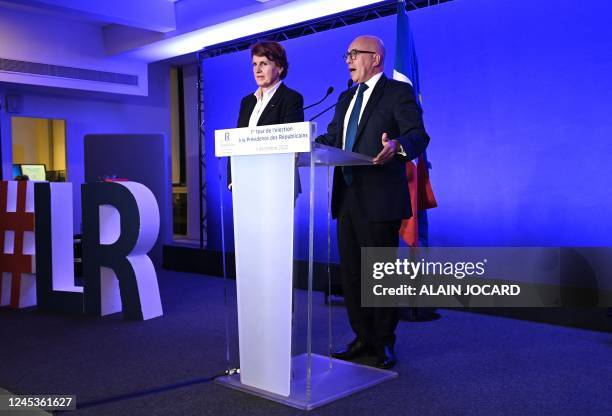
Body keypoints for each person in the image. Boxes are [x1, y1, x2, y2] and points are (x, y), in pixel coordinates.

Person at [316, 35, 430, 369]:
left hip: (380, 198)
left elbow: (418, 134)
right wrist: (302, 139)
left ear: (375, 58)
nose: (348, 60)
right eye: (346, 54)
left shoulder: (397, 92)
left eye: (354, 54)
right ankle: (362, 337)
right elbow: (333, 138)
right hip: (347, 197)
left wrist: (396, 145)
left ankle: (383, 343)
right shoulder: (345, 97)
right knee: (352, 275)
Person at [227, 41, 304, 188]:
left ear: (280, 67)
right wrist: (232, 178)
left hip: (276, 182)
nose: (257, 70)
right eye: (255, 64)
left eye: (264, 64)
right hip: (245, 180)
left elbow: (291, 144)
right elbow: (235, 143)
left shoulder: (291, 98)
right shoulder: (247, 102)